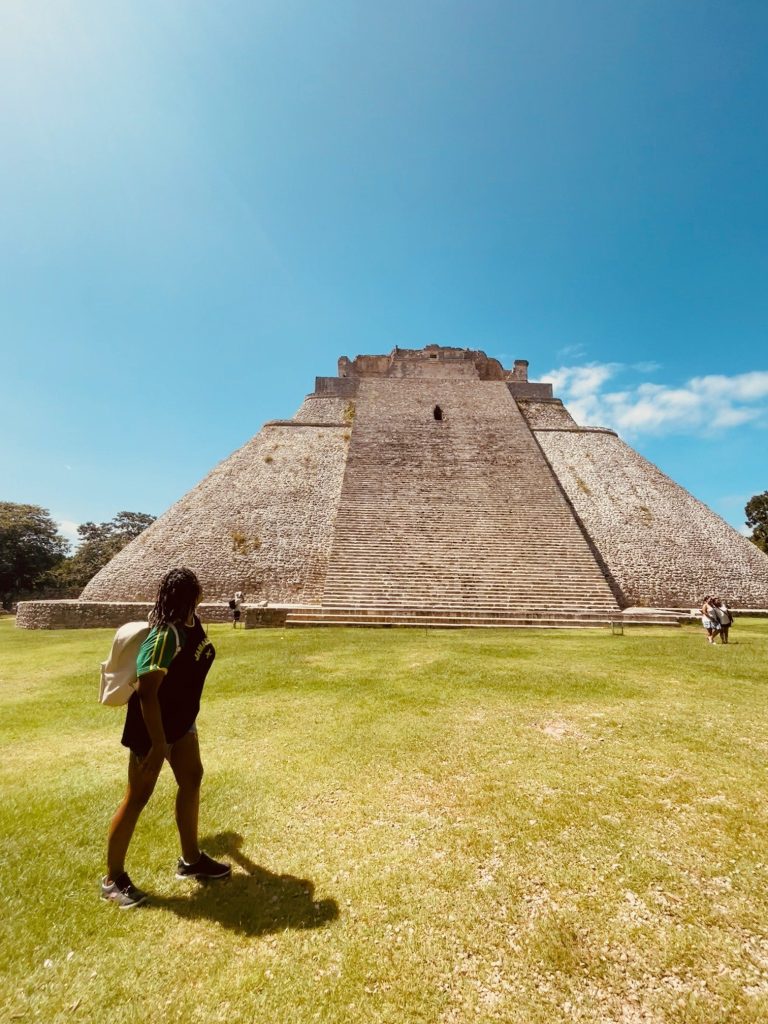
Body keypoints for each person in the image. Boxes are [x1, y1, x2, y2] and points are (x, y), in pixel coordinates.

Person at [101, 567, 230, 908]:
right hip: (151, 730)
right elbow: (147, 693)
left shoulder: (192, 622)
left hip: (180, 723)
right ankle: (112, 880)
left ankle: (191, 860)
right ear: (194, 594)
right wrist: (158, 745)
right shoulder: (165, 636)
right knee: (137, 797)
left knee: (192, 778)